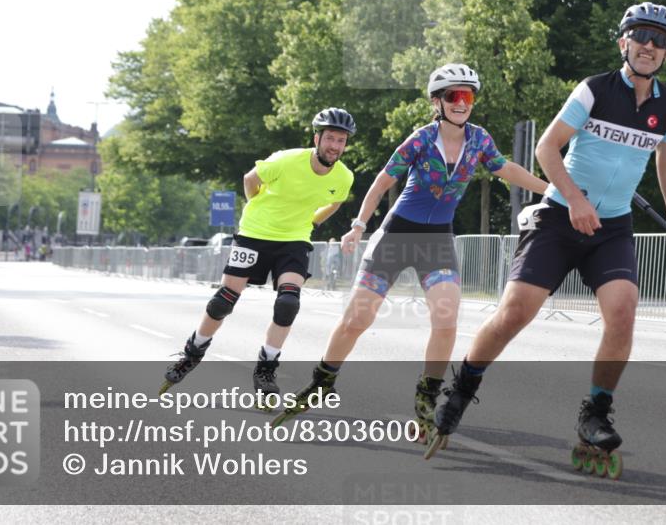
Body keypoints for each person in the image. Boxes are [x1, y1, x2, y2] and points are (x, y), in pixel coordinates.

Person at [427, 3, 666, 472]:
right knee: (515, 314)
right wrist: (573, 199)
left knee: (623, 311)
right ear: (624, 42)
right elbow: (546, 147)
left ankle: (595, 413)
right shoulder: (594, 90)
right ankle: (462, 387)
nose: (650, 47)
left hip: (610, 226)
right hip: (559, 216)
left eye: (660, 40)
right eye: (641, 36)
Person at [274, 63, 548, 441]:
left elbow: (507, 169)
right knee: (357, 320)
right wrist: (358, 225)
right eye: (453, 95)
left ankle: (426, 398)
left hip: (438, 240)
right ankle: (322, 381)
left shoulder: (480, 140)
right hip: (397, 235)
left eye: (467, 96)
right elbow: (382, 181)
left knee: (447, 317)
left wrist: (552, 190)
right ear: (437, 102)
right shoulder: (420, 139)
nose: (461, 102)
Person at [160, 108, 357, 397]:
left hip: (294, 241)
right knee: (224, 301)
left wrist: (313, 221)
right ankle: (193, 352)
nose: (335, 146)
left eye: (341, 141)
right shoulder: (285, 160)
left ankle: (266, 368)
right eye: (330, 138)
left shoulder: (343, 176)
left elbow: (336, 201)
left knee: (288, 303)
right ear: (317, 138)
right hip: (254, 234)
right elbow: (249, 180)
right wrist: (257, 209)